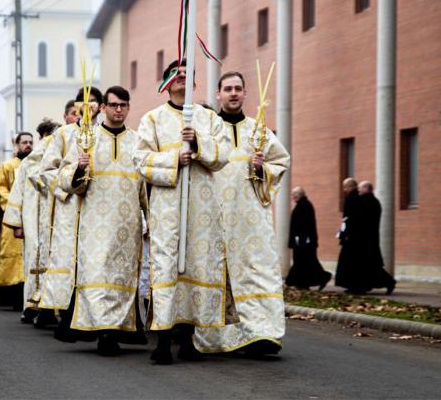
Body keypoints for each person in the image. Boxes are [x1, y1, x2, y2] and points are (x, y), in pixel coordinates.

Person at [134, 59, 230, 364]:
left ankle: (188, 339)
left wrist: (198, 144)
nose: (182, 78)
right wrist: (176, 159)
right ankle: (163, 339)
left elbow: (224, 153)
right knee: (166, 268)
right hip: (167, 206)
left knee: (195, 267)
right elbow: (141, 160)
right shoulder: (152, 119)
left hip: (201, 207)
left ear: (195, 85)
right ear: (166, 83)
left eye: (188, 75)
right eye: (176, 74)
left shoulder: (208, 118)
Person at [193, 71, 290, 357]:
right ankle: (216, 335)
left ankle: (261, 333)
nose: (233, 93)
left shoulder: (259, 131)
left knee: (256, 271)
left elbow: (280, 162)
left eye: (238, 89)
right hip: (212, 215)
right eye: (228, 89)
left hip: (249, 218)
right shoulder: (207, 131)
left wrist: (262, 168)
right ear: (218, 94)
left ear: (245, 94)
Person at [56, 86, 147, 356]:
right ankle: (103, 331)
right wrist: (80, 168)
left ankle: (117, 329)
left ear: (128, 108)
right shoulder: (87, 138)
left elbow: (146, 187)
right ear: (103, 108)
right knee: (96, 274)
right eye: (113, 105)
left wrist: (151, 218)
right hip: (94, 223)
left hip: (127, 224)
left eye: (123, 105)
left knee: (122, 277)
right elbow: (64, 179)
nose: (118, 110)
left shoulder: (138, 141)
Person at [39, 87, 104, 337]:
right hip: (70, 208)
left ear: (101, 106)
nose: (89, 107)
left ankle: (94, 320)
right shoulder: (64, 135)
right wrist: (72, 176)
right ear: (76, 106)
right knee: (70, 260)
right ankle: (67, 318)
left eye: (94, 102)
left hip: (99, 210)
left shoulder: (106, 134)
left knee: (96, 263)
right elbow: (46, 171)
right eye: (84, 103)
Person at [4, 119, 60, 325]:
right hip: (33, 218)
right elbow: (17, 192)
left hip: (56, 219)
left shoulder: (61, 157)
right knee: (34, 260)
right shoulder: (30, 162)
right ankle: (31, 305)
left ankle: (51, 307)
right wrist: (17, 223)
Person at [0, 132, 33, 309]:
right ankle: (11, 295)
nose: (28, 145)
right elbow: (0, 188)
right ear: (17, 145)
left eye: (31, 142)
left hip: (32, 216)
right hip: (13, 217)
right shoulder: (7, 166)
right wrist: (15, 204)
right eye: (24, 142)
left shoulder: (36, 164)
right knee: (12, 253)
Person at [336, 181, 396, 294]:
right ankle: (360, 286)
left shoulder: (370, 202)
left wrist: (348, 223)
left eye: (360, 188)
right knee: (368, 265)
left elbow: (361, 219)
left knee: (369, 265)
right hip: (363, 238)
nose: (358, 190)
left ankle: (386, 282)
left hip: (365, 239)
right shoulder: (367, 201)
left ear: (367, 189)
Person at [285, 187, 332, 290]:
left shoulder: (305, 205)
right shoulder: (302, 205)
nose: (292, 197)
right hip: (301, 241)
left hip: (304, 241)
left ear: (299, 195)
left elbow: (305, 224)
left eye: (294, 195)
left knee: (304, 262)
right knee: (307, 262)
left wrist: (301, 239)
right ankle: (304, 282)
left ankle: (300, 282)